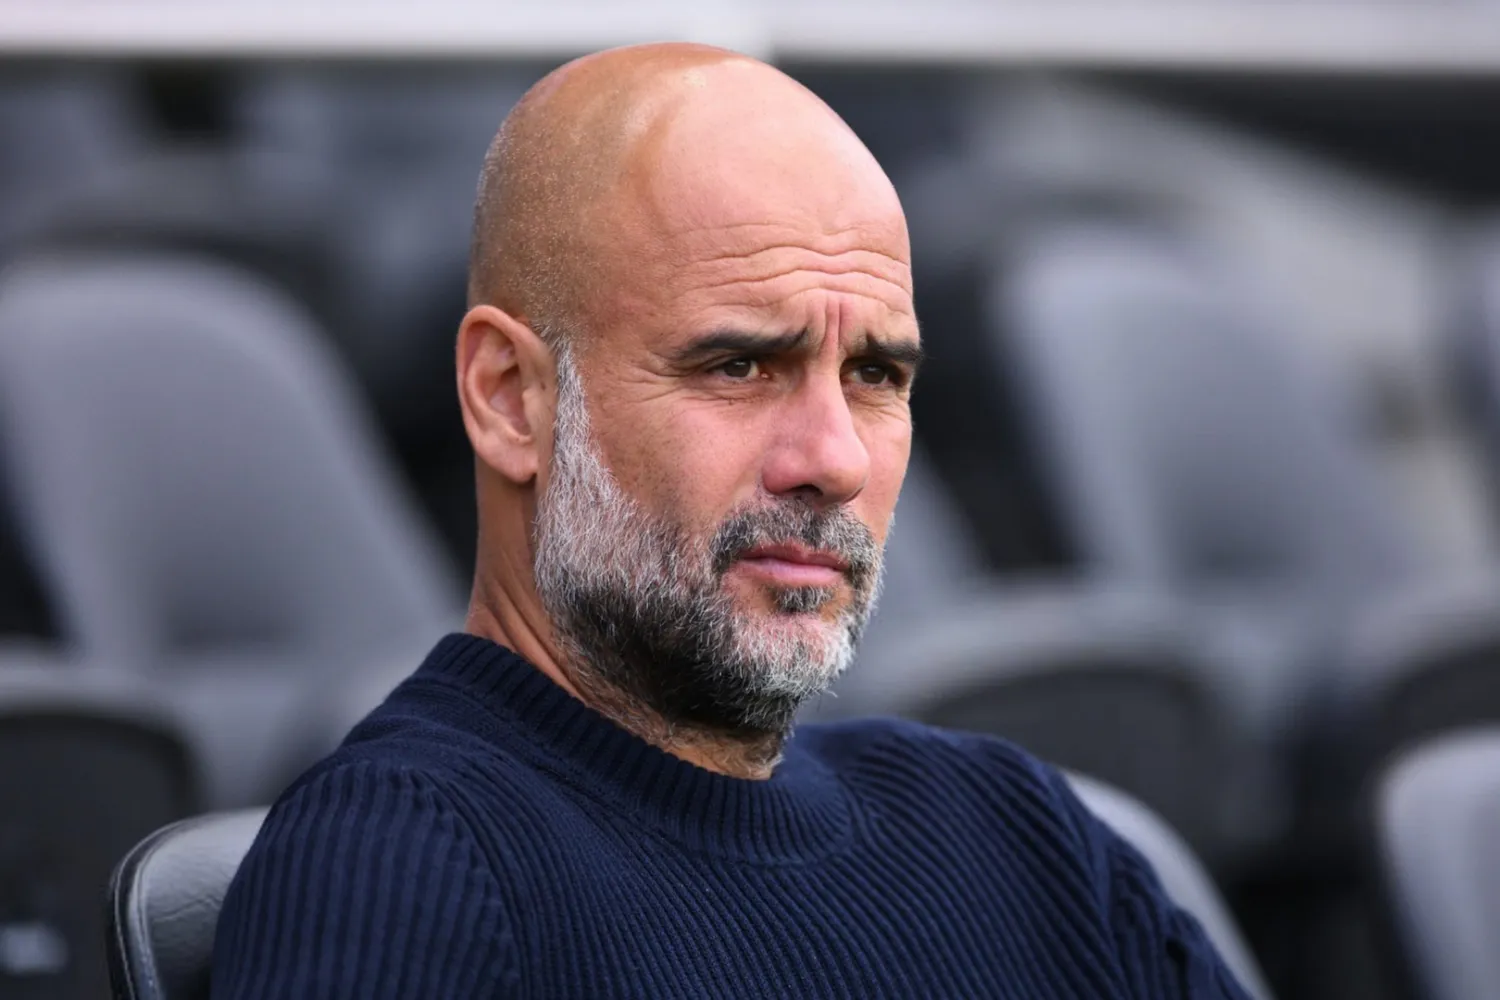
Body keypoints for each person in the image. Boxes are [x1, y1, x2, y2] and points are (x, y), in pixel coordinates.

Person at [212, 42, 1250, 999]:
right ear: (510, 398)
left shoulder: (1024, 834)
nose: (835, 460)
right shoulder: (400, 864)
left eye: (876, 375)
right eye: (740, 365)